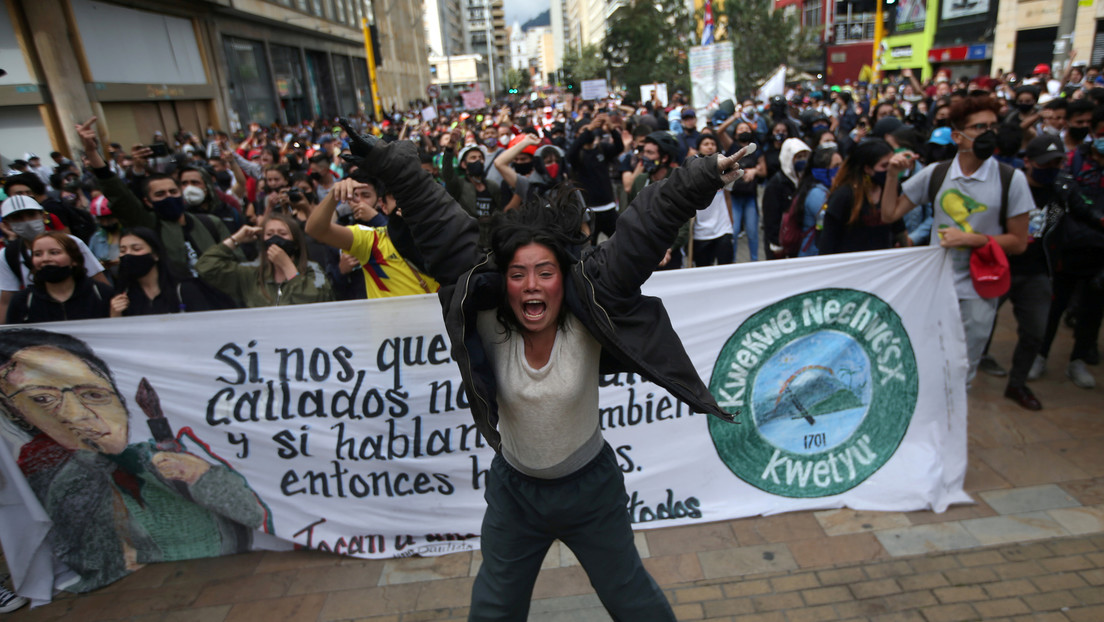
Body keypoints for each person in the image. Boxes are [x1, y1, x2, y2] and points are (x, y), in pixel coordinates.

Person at [336, 117, 738, 621]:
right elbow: (441, 224)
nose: (531, 285)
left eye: (544, 273)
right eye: (518, 274)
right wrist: (391, 165)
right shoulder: (485, 312)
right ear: (504, 281)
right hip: (515, 495)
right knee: (493, 608)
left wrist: (701, 177)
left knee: (631, 598)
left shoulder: (588, 310)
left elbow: (641, 230)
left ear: (561, 278)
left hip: (592, 490)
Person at [0, 329, 266, 592]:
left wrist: (204, 477)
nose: (78, 414)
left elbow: (252, 516)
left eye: (93, 394)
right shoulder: (59, 479)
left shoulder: (150, 456)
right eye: (43, 400)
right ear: (15, 414)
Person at [882, 94, 1033, 383]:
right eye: (979, 127)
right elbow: (890, 214)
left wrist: (974, 240)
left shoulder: (1010, 179)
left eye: (992, 126)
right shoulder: (936, 174)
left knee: (961, 371)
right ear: (958, 137)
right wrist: (892, 175)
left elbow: (1019, 241)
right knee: (927, 361)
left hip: (979, 288)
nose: (987, 133)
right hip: (935, 285)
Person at [304, 172, 438, 299]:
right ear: (383, 206)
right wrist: (334, 194)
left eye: (410, 195)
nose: (402, 202)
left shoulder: (444, 236)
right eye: (394, 196)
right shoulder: (371, 240)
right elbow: (316, 230)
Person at [196, 213, 333, 307]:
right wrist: (237, 239)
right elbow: (206, 267)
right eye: (269, 234)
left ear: (296, 242)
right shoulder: (251, 273)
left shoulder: (312, 269)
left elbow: (313, 299)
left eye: (282, 234)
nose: (275, 238)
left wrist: (287, 266)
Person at [109, 227, 228, 316]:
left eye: (136, 249)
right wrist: (115, 315)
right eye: (123, 250)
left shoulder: (184, 289)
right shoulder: (124, 296)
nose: (128, 255)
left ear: (155, 255)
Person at [819, 138, 906, 255]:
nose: (890, 169)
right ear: (868, 169)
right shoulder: (844, 195)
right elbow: (827, 242)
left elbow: (899, 229)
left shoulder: (891, 190)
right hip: (851, 267)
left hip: (883, 266)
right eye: (884, 166)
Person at [5, 232, 113, 324]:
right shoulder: (23, 301)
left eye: (54, 252)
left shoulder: (101, 293)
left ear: (74, 260)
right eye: (38, 254)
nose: (45, 259)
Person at [566, 113, 623, 245]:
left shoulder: (602, 149)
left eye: (591, 128)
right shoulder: (577, 156)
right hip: (589, 211)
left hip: (608, 207)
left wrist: (612, 129)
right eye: (584, 130)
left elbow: (619, 147)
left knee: (622, 242)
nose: (589, 131)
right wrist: (589, 129)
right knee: (588, 250)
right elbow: (569, 154)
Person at [762, 138, 811, 259]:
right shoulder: (776, 184)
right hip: (780, 244)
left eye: (805, 157)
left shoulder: (806, 181)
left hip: (798, 241)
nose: (802, 161)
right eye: (798, 157)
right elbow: (770, 218)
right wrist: (775, 243)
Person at [690, 134, 733, 266]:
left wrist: (731, 222)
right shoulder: (691, 169)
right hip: (701, 233)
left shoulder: (725, 169)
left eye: (713, 144)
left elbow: (727, 196)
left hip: (722, 229)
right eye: (706, 144)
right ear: (698, 148)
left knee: (725, 270)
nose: (710, 147)